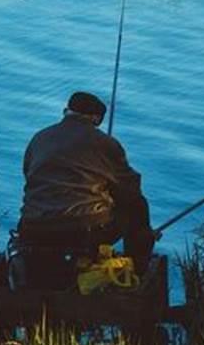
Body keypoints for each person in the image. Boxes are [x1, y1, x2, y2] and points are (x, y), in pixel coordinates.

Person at [8, 91, 155, 290]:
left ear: (67, 111)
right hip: (83, 232)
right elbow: (130, 190)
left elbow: (29, 175)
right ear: (96, 118)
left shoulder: (39, 138)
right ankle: (137, 268)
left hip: (33, 228)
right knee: (137, 206)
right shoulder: (106, 143)